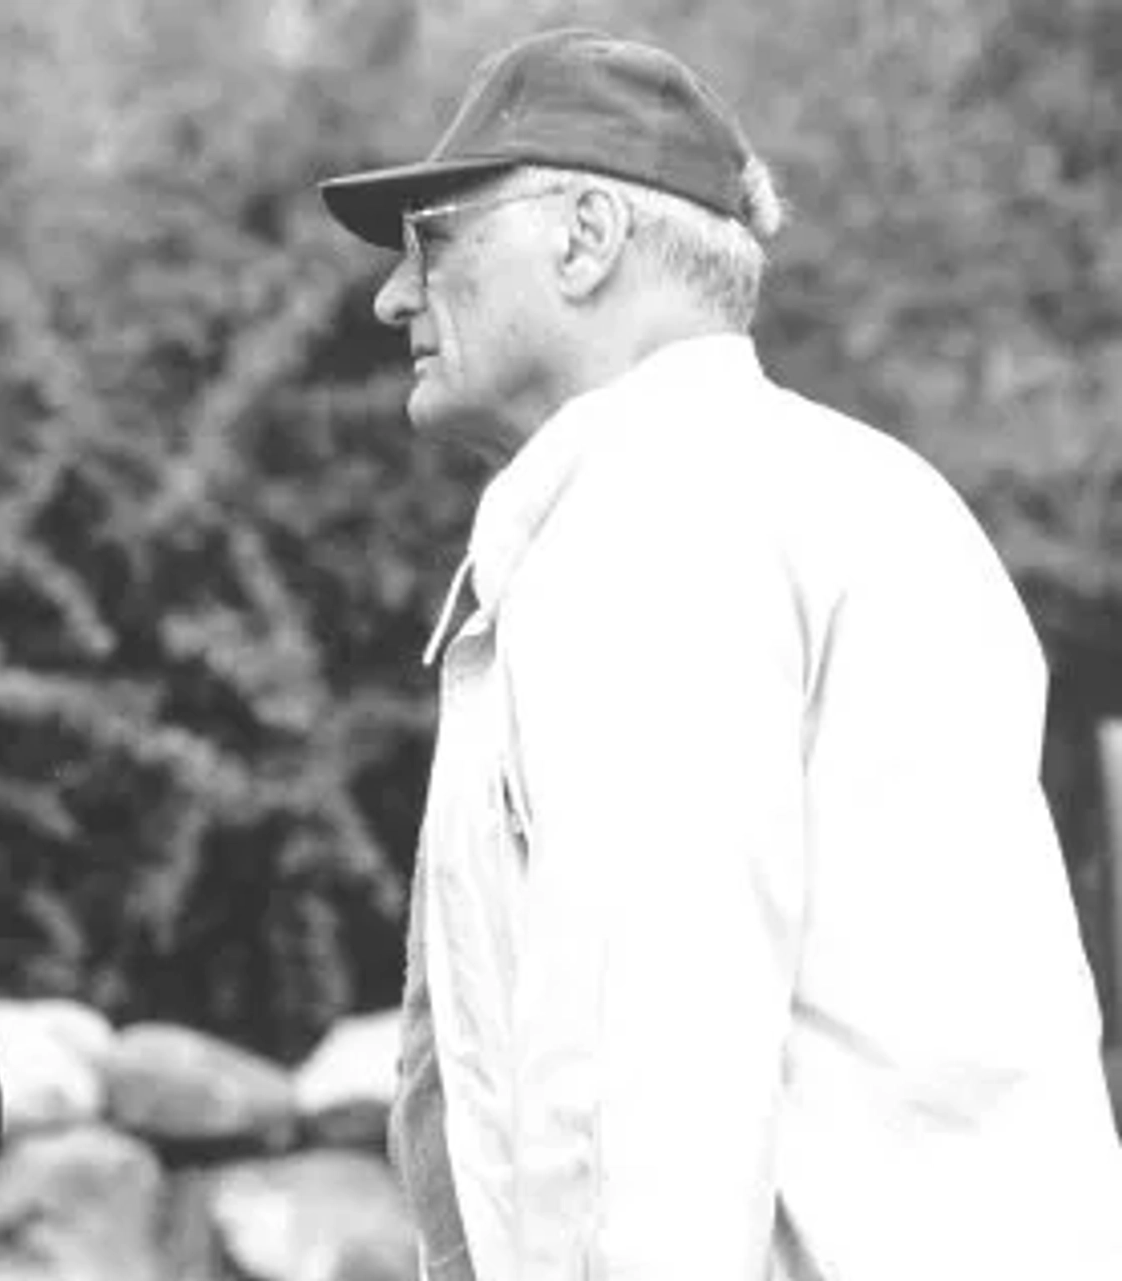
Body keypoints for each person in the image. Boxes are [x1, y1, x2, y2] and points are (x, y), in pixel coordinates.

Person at [319, 27, 1122, 1281]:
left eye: (434, 239)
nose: (393, 294)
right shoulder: (861, 487)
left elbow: (650, 1056)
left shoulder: (657, 513)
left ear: (583, 236)